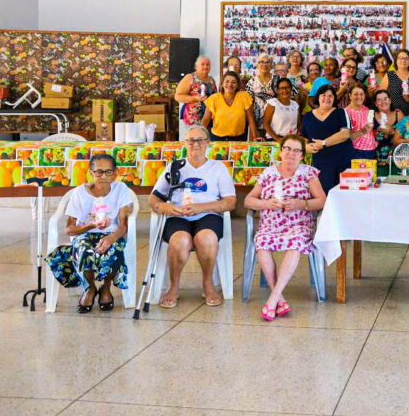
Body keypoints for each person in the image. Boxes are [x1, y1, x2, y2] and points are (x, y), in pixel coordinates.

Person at [149, 125, 236, 307]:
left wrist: (201, 207)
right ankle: (173, 286)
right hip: (177, 216)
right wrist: (163, 206)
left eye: (200, 140)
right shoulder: (175, 167)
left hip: (208, 215)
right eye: (191, 140)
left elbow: (230, 202)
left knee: (206, 238)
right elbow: (154, 197)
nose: (195, 144)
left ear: (208, 143)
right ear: (185, 143)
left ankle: (208, 284)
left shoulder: (218, 168)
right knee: (180, 241)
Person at [244, 135, 327, 320]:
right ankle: (278, 299)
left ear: (302, 156)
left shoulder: (308, 173)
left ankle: (273, 298)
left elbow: (322, 200)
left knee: (295, 242)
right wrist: (266, 204)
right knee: (261, 242)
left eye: (296, 150)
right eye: (287, 149)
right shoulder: (268, 173)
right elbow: (248, 200)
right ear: (281, 152)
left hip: (299, 224)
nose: (291, 153)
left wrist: (301, 204)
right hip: (270, 224)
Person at [46, 154, 134, 313]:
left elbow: (123, 226)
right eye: (99, 172)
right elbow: (69, 229)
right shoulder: (79, 193)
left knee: (114, 250)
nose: (103, 176)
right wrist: (91, 224)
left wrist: (111, 237)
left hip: (112, 233)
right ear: (91, 173)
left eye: (108, 172)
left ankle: (106, 287)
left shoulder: (120, 190)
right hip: (84, 234)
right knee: (84, 250)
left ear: (115, 173)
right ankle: (90, 287)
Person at [301, 85, 353, 194]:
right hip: (320, 162)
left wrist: (324, 143)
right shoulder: (308, 116)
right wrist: (305, 147)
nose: (327, 98)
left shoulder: (341, 112)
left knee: (343, 193)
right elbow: (304, 137)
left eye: (330, 96)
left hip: (341, 160)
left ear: (334, 98)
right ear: (318, 97)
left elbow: (345, 134)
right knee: (323, 193)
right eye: (323, 95)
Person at [201, 71, 257, 141]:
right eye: (227, 81)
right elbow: (205, 120)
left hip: (239, 139)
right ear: (222, 84)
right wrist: (199, 137)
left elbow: (251, 119)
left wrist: (255, 137)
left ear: (237, 85)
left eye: (233, 82)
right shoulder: (213, 99)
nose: (230, 84)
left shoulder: (244, 97)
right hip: (217, 139)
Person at [174, 56, 216, 140]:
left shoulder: (212, 79)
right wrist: (195, 98)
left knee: (206, 142)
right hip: (193, 119)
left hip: (209, 119)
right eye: (202, 64)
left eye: (207, 64)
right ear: (196, 66)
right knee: (193, 142)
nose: (205, 67)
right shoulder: (190, 77)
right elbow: (178, 96)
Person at [371, 89, 404, 178]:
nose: (383, 102)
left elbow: (405, 135)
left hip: (395, 158)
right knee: (377, 184)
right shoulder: (371, 114)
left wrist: (392, 132)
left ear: (390, 100)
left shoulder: (398, 114)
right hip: (376, 158)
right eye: (379, 100)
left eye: (385, 99)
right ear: (376, 104)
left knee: (394, 184)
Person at [386, 48, 409, 116]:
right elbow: (381, 95)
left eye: (406, 58)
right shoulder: (389, 75)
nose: (403, 60)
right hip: (393, 116)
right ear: (396, 60)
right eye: (400, 58)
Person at [343, 83, 377, 160]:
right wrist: (362, 131)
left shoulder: (367, 110)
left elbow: (370, 131)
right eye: (356, 94)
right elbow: (345, 138)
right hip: (355, 151)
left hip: (371, 150)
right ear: (350, 96)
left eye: (361, 94)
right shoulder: (345, 113)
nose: (359, 97)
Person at [244, 53, 277, 129]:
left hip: (275, 123)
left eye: (267, 62)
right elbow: (248, 105)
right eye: (261, 62)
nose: (264, 64)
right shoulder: (251, 82)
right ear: (257, 65)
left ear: (271, 65)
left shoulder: (277, 80)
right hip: (257, 124)